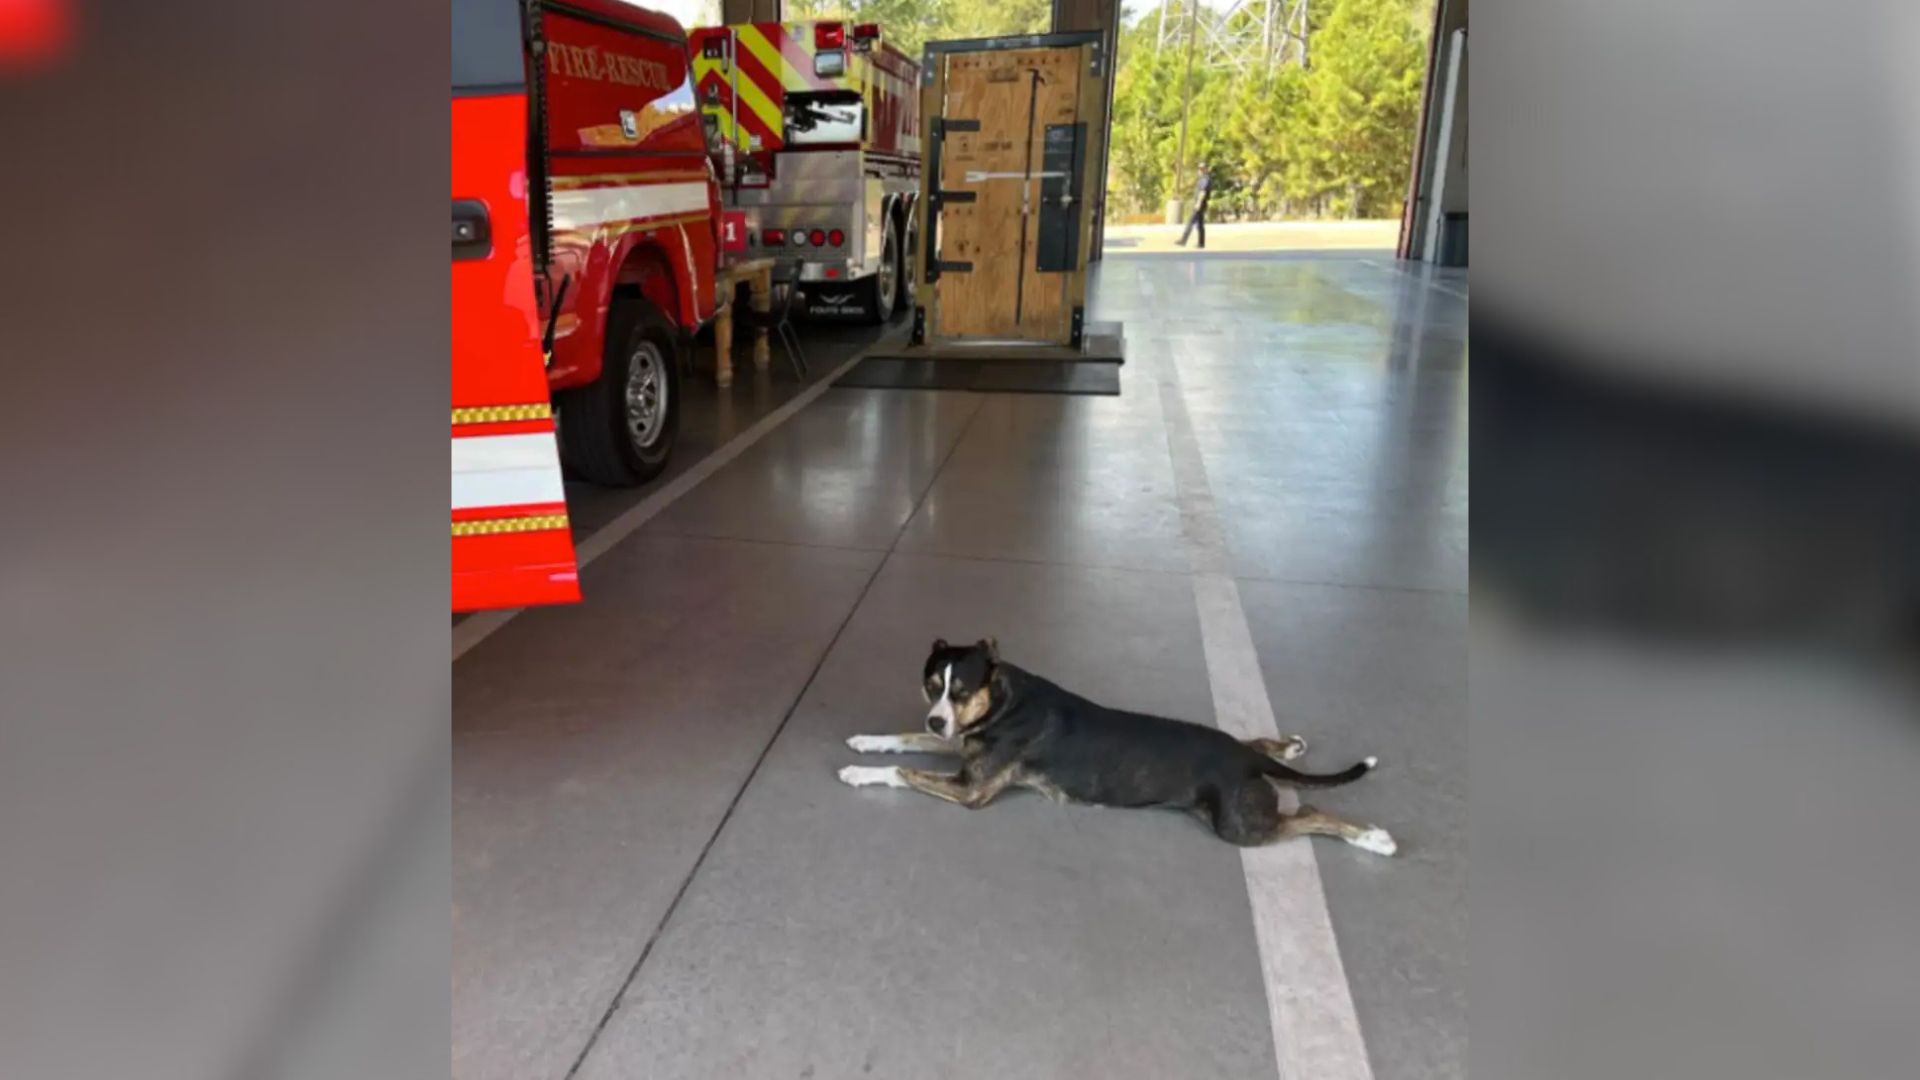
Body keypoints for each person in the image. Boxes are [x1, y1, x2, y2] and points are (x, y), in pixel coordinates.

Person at [1177, 162, 1212, 249]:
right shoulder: (1203, 179)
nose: (1200, 170)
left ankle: (1183, 240)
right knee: (1200, 224)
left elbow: (1203, 192)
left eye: (1202, 168)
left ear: (1206, 169)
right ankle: (1201, 243)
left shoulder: (1205, 179)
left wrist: (1198, 203)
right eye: (1199, 168)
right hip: (1201, 204)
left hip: (1200, 203)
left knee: (1191, 221)